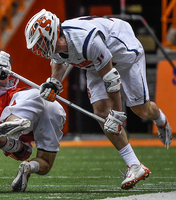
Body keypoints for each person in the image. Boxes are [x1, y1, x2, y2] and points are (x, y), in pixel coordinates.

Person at [24, 9, 173, 189]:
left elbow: (111, 79)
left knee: (140, 109)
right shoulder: (58, 42)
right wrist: (54, 83)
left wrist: (118, 114)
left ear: (52, 33)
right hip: (94, 61)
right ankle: (134, 165)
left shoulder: (86, 41)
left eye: (41, 42)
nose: (39, 48)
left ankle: (160, 119)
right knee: (101, 113)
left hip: (124, 53)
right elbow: (60, 60)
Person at [0, 51, 66, 192]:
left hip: (28, 105)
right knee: (45, 163)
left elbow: (24, 151)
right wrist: (0, 65)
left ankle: (15, 122)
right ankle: (28, 166)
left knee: (45, 163)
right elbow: (24, 151)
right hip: (47, 105)